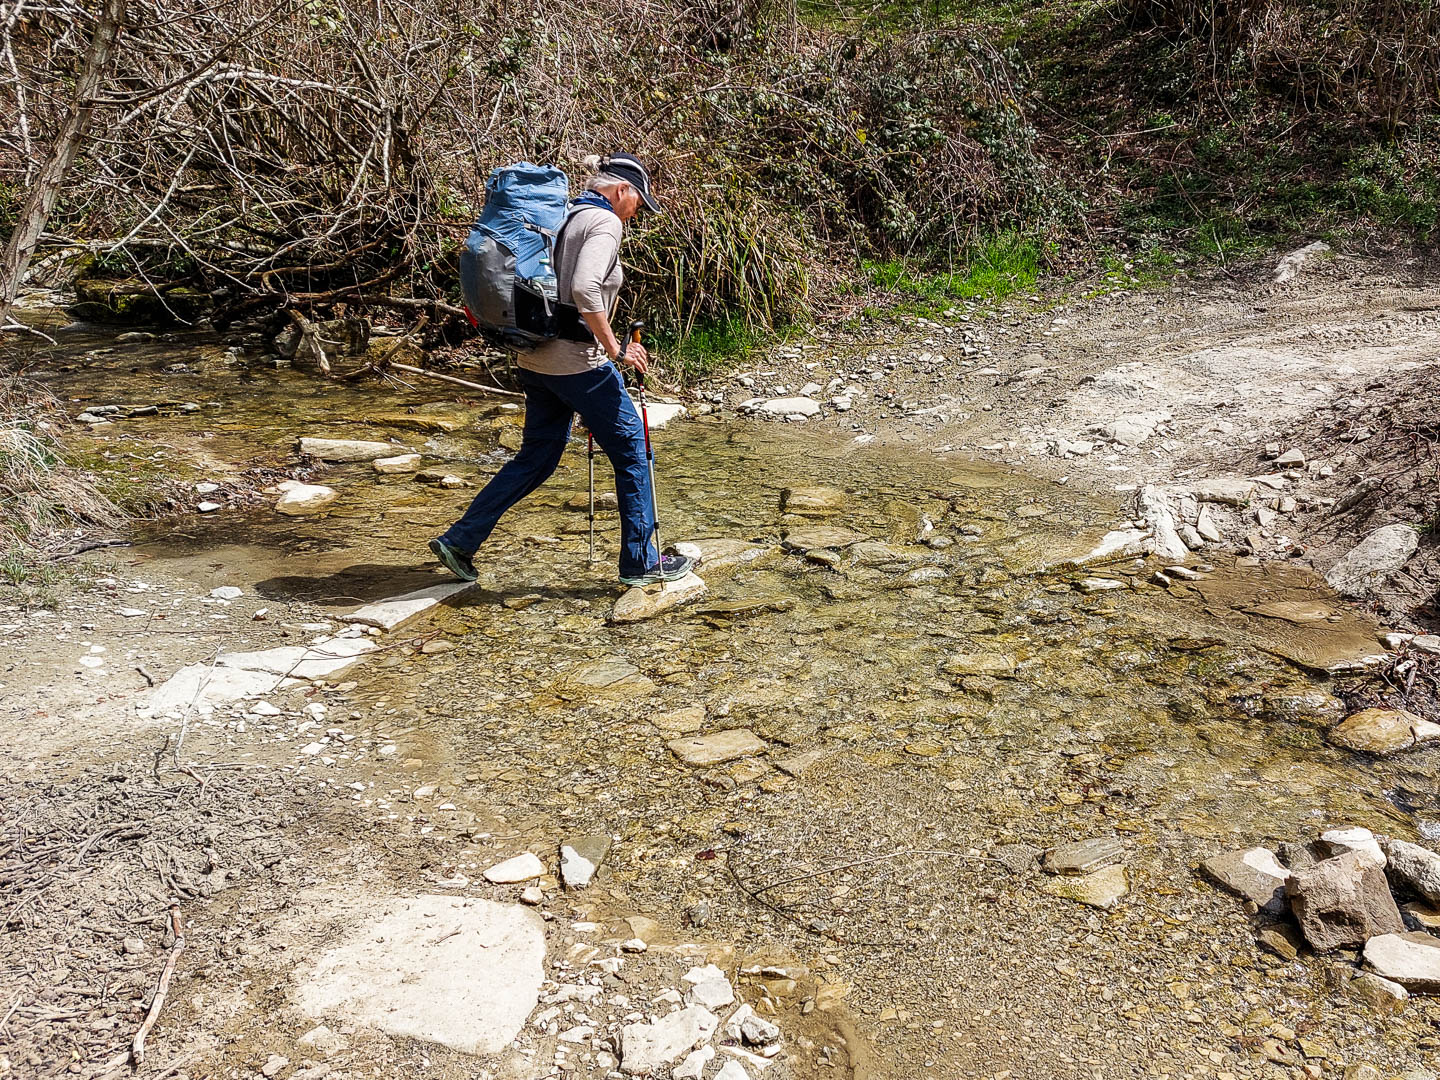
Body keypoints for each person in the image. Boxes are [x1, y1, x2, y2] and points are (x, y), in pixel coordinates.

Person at [429, 154, 693, 586]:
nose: (637, 211)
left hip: (535, 360)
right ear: (621, 190)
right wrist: (616, 349)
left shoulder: (560, 214)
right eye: (638, 202)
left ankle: (460, 541)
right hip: (578, 365)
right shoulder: (605, 224)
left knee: (537, 457)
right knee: (633, 452)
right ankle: (640, 563)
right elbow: (584, 286)